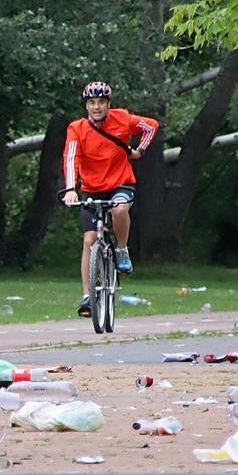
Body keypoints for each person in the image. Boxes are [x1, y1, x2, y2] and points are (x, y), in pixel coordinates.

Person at [61, 81, 159, 317]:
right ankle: (87, 296)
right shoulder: (77, 128)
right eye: (92, 103)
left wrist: (140, 151)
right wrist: (70, 188)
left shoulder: (122, 119)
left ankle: (122, 249)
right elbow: (70, 157)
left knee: (119, 209)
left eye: (101, 103)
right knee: (89, 240)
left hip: (120, 183)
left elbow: (151, 126)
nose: (96, 107)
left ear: (108, 104)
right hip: (92, 189)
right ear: (86, 105)